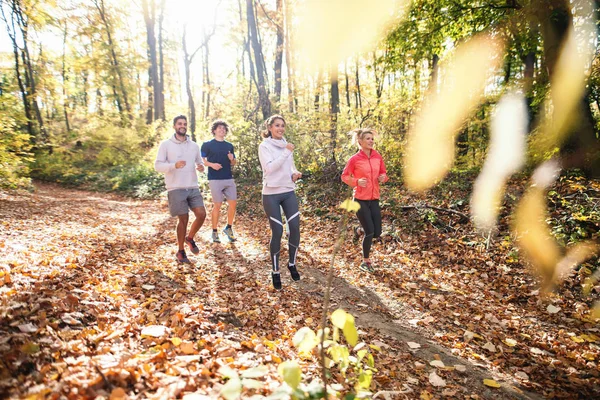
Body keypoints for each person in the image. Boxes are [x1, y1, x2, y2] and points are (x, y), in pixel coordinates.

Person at [154, 115, 207, 264]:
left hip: (192, 186)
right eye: (179, 124)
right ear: (174, 126)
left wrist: (201, 167)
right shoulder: (165, 145)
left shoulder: (194, 146)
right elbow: (157, 166)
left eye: (184, 123)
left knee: (201, 214)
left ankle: (189, 238)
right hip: (175, 187)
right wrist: (173, 166)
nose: (182, 126)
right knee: (183, 219)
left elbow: (200, 163)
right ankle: (181, 251)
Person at [258, 115, 302, 290]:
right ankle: (275, 271)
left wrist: (295, 173)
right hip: (271, 194)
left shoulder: (286, 144)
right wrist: (286, 152)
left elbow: (289, 167)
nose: (280, 128)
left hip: (288, 190)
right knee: (278, 231)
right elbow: (269, 169)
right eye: (277, 125)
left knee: (295, 228)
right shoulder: (265, 146)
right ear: (270, 128)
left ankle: (292, 264)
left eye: (282, 125)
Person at [341, 128, 388, 273]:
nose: (371, 141)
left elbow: (384, 173)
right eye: (368, 138)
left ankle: (358, 230)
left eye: (372, 138)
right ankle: (366, 262)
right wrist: (356, 182)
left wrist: (383, 178)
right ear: (360, 142)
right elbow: (344, 176)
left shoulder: (377, 156)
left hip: (374, 198)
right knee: (370, 231)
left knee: (377, 232)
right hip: (360, 199)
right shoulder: (354, 159)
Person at [201, 119, 238, 243]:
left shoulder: (229, 146)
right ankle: (214, 231)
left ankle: (228, 228)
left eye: (224, 128)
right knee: (217, 205)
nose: (222, 130)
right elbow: (202, 161)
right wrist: (212, 165)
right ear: (214, 130)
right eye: (219, 128)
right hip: (215, 179)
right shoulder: (207, 144)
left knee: (233, 204)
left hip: (228, 178)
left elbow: (233, 163)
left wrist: (232, 159)